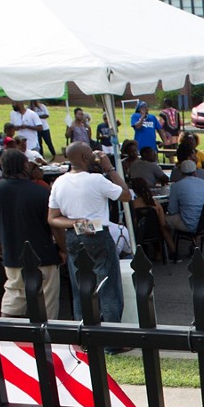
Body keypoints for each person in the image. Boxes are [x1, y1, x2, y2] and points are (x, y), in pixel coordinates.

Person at [47, 141, 132, 337]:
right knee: (108, 286)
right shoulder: (96, 179)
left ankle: (85, 336)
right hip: (97, 234)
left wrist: (78, 223)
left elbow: (52, 218)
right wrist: (108, 167)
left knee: (81, 287)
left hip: (74, 235)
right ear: (86, 158)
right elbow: (126, 195)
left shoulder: (59, 182)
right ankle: (113, 338)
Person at [0, 147, 64, 319]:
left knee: (14, 293)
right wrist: (63, 249)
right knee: (47, 297)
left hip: (12, 252)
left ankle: (7, 334)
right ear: (25, 166)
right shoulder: (41, 192)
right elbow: (54, 225)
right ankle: (48, 336)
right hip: (43, 253)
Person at [167, 159, 204, 236]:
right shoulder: (203, 182)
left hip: (190, 224)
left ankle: (170, 247)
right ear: (195, 172)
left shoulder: (176, 186)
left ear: (181, 172)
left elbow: (172, 210)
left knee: (163, 220)